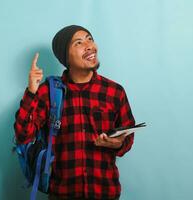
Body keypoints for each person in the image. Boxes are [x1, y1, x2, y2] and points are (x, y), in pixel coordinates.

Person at [14, 25, 135, 200]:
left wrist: (117, 144)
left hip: (105, 193)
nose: (89, 45)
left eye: (90, 39)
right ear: (66, 57)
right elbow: (23, 136)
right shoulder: (49, 91)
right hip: (62, 194)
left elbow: (128, 138)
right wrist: (31, 92)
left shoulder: (115, 91)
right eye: (79, 42)